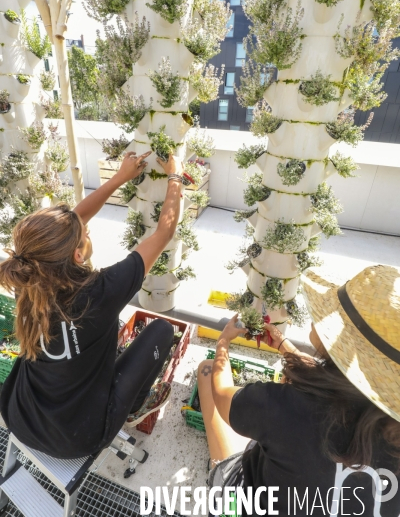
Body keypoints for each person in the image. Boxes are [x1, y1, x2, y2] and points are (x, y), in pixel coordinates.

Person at [0, 150, 185, 460]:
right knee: (163, 331)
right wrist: (176, 174)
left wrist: (120, 177)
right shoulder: (100, 292)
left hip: (20, 416)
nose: (86, 227)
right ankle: (136, 403)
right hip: (78, 438)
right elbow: (165, 231)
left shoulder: (29, 277)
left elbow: (70, 223)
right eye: (83, 233)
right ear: (76, 255)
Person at [198, 265, 400, 517]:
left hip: (251, 505)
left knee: (207, 371)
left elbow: (222, 393)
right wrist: (285, 348)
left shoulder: (288, 408)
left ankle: (219, 489)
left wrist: (223, 343)